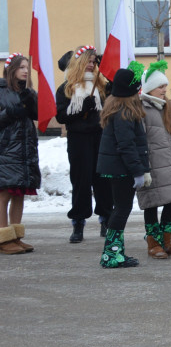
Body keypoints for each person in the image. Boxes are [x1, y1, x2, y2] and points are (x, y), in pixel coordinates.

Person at [55, 45, 112, 244]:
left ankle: (106, 219)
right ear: (79, 62)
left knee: (103, 180)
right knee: (81, 181)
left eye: (94, 61)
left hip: (100, 137)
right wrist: (81, 109)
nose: (91, 65)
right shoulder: (67, 88)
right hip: (78, 139)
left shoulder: (101, 85)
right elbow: (61, 117)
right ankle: (78, 222)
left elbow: (115, 95)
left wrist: (108, 70)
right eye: (88, 61)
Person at [95, 64, 148, 268]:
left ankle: (115, 252)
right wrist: (137, 171)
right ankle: (111, 254)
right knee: (122, 209)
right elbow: (126, 145)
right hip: (121, 168)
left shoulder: (117, 107)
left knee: (120, 208)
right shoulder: (124, 112)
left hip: (117, 167)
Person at [136, 61, 171, 260]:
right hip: (152, 167)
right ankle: (153, 243)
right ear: (149, 88)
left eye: (165, 86)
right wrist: (143, 169)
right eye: (160, 86)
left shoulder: (166, 107)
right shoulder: (140, 108)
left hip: (169, 166)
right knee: (151, 204)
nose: (164, 90)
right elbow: (139, 141)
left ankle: (166, 241)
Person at [0, 54, 40, 256]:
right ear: (11, 69)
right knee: (4, 194)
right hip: (7, 150)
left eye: (27, 67)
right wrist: (11, 112)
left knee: (19, 194)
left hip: (25, 151)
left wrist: (30, 101)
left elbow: (38, 115)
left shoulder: (28, 92)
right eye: (21, 67)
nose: (25, 70)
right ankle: (3, 238)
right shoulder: (1, 91)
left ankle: (15, 236)